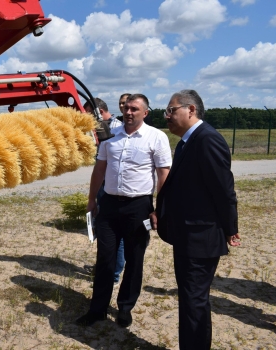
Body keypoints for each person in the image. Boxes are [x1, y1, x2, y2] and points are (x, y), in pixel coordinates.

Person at [76, 94, 171, 328]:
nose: (129, 112)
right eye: (126, 108)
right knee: (105, 259)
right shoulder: (110, 137)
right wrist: (91, 201)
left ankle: (125, 307)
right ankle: (97, 310)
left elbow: (163, 175)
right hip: (109, 205)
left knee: (134, 259)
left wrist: (160, 208)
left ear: (145, 113)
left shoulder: (156, 137)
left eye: (135, 109)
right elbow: (99, 170)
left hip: (138, 208)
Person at [155, 90, 240, 349]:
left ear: (190, 110)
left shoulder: (207, 140)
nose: (167, 116)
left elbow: (223, 190)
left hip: (200, 237)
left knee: (194, 302)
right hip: (187, 235)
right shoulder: (187, 141)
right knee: (191, 300)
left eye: (171, 110)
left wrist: (230, 228)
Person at [83, 97, 125, 285]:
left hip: (114, 188)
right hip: (102, 185)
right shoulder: (98, 127)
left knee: (118, 234)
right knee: (103, 229)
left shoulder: (117, 128)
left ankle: (114, 274)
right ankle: (104, 266)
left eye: (89, 114)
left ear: (98, 111)